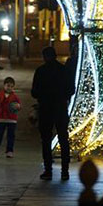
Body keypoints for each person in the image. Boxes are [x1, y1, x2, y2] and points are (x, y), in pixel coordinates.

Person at [31, 45, 75, 180]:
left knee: (46, 140)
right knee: (63, 139)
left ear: (44, 57)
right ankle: (65, 171)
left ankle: (48, 170)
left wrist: (43, 96)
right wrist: (63, 97)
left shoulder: (40, 71)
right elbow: (71, 90)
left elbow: (34, 92)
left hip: (45, 109)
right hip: (60, 108)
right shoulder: (64, 70)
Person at [0, 76, 20, 158]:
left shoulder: (15, 97)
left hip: (11, 119)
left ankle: (9, 150)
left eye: (11, 86)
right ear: (4, 86)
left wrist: (18, 107)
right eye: (8, 85)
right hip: (1, 118)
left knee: (10, 136)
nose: (9, 88)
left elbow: (18, 106)